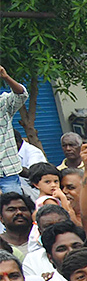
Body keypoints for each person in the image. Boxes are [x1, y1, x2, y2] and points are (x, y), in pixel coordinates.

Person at [0, 66, 27, 194]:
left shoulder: (3, 104)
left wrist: (6, 77)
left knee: (15, 208)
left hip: (7, 173)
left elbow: (21, 95)